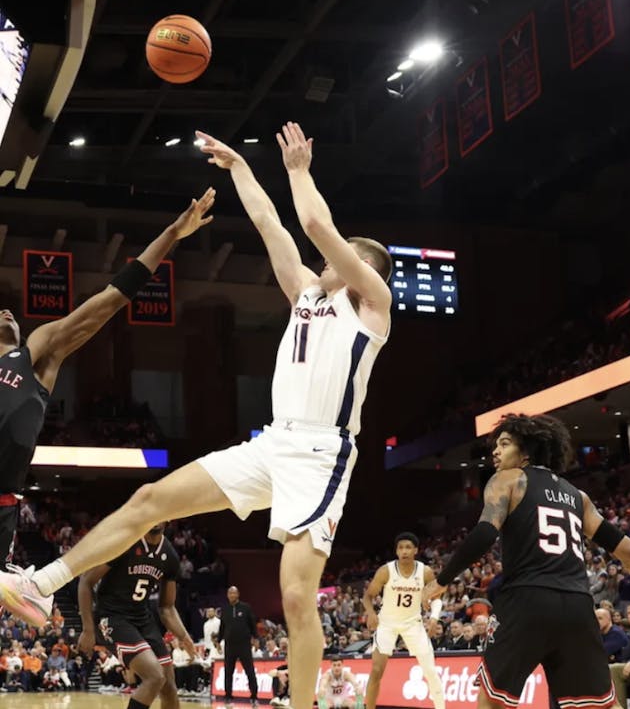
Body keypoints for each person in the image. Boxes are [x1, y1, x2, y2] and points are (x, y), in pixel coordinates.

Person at [0, 123, 393, 709]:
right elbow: (271, 226)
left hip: (322, 454)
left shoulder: (373, 308)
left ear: (365, 270)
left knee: (294, 597)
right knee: (148, 501)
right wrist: (239, 170)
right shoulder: (308, 297)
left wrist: (299, 170)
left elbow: (314, 225)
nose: (328, 257)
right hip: (273, 442)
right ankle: (41, 584)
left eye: (345, 255)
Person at [0, 189, 215, 569]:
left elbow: (110, 299)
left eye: (12, 314)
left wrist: (170, 235)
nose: (6, 312)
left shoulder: (36, 354)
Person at [421, 413, 630, 709]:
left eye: (504, 444)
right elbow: (629, 551)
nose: (495, 451)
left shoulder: (508, 479)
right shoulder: (577, 496)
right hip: (578, 607)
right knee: (598, 706)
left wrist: (442, 581)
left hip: (527, 599)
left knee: (493, 702)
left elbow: (484, 533)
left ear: (527, 451)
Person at [77, 523, 197, 709]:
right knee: (155, 676)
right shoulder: (124, 542)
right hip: (112, 617)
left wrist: (184, 636)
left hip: (142, 618)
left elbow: (167, 607)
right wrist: (87, 629)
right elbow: (86, 581)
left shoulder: (170, 556)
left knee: (169, 687)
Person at [363, 532, 445, 709]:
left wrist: (434, 618)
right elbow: (368, 596)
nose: (404, 551)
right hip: (387, 624)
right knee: (376, 671)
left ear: (416, 550)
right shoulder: (386, 571)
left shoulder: (425, 572)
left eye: (408, 547)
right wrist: (370, 613)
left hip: (412, 624)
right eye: (400, 548)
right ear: (396, 551)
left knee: (430, 671)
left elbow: (437, 596)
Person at [221, 585, 258, 707]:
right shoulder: (225, 609)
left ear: (238, 594)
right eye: (230, 593)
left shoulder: (246, 607)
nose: (232, 595)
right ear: (227, 595)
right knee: (228, 672)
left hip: (244, 644)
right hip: (229, 645)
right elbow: (222, 626)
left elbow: (252, 623)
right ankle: (228, 696)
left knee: (250, 671)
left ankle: (254, 696)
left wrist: (256, 637)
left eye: (234, 593)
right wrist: (219, 640)